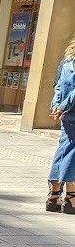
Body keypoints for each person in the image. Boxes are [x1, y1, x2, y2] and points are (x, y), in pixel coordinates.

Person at [47, 36, 75, 213]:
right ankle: (71, 197)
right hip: (71, 110)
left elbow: (58, 86)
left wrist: (57, 106)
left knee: (63, 149)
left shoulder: (66, 63)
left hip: (66, 113)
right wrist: (63, 106)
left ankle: (54, 195)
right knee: (72, 152)